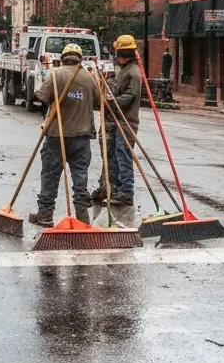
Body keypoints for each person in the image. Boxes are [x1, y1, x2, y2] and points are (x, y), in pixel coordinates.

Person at [28, 43, 101, 226]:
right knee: (80, 178)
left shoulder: (56, 74)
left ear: (63, 58)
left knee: (50, 176)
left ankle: (45, 215)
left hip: (56, 136)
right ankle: (82, 217)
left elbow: (41, 97)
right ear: (80, 59)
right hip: (82, 137)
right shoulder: (89, 78)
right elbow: (99, 104)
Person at [93, 35, 142, 206]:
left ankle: (126, 192)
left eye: (124, 54)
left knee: (123, 155)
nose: (121, 57)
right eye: (120, 54)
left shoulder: (133, 72)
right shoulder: (122, 69)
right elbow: (115, 87)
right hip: (116, 119)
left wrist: (111, 102)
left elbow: (130, 95)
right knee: (113, 155)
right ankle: (113, 188)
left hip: (126, 120)